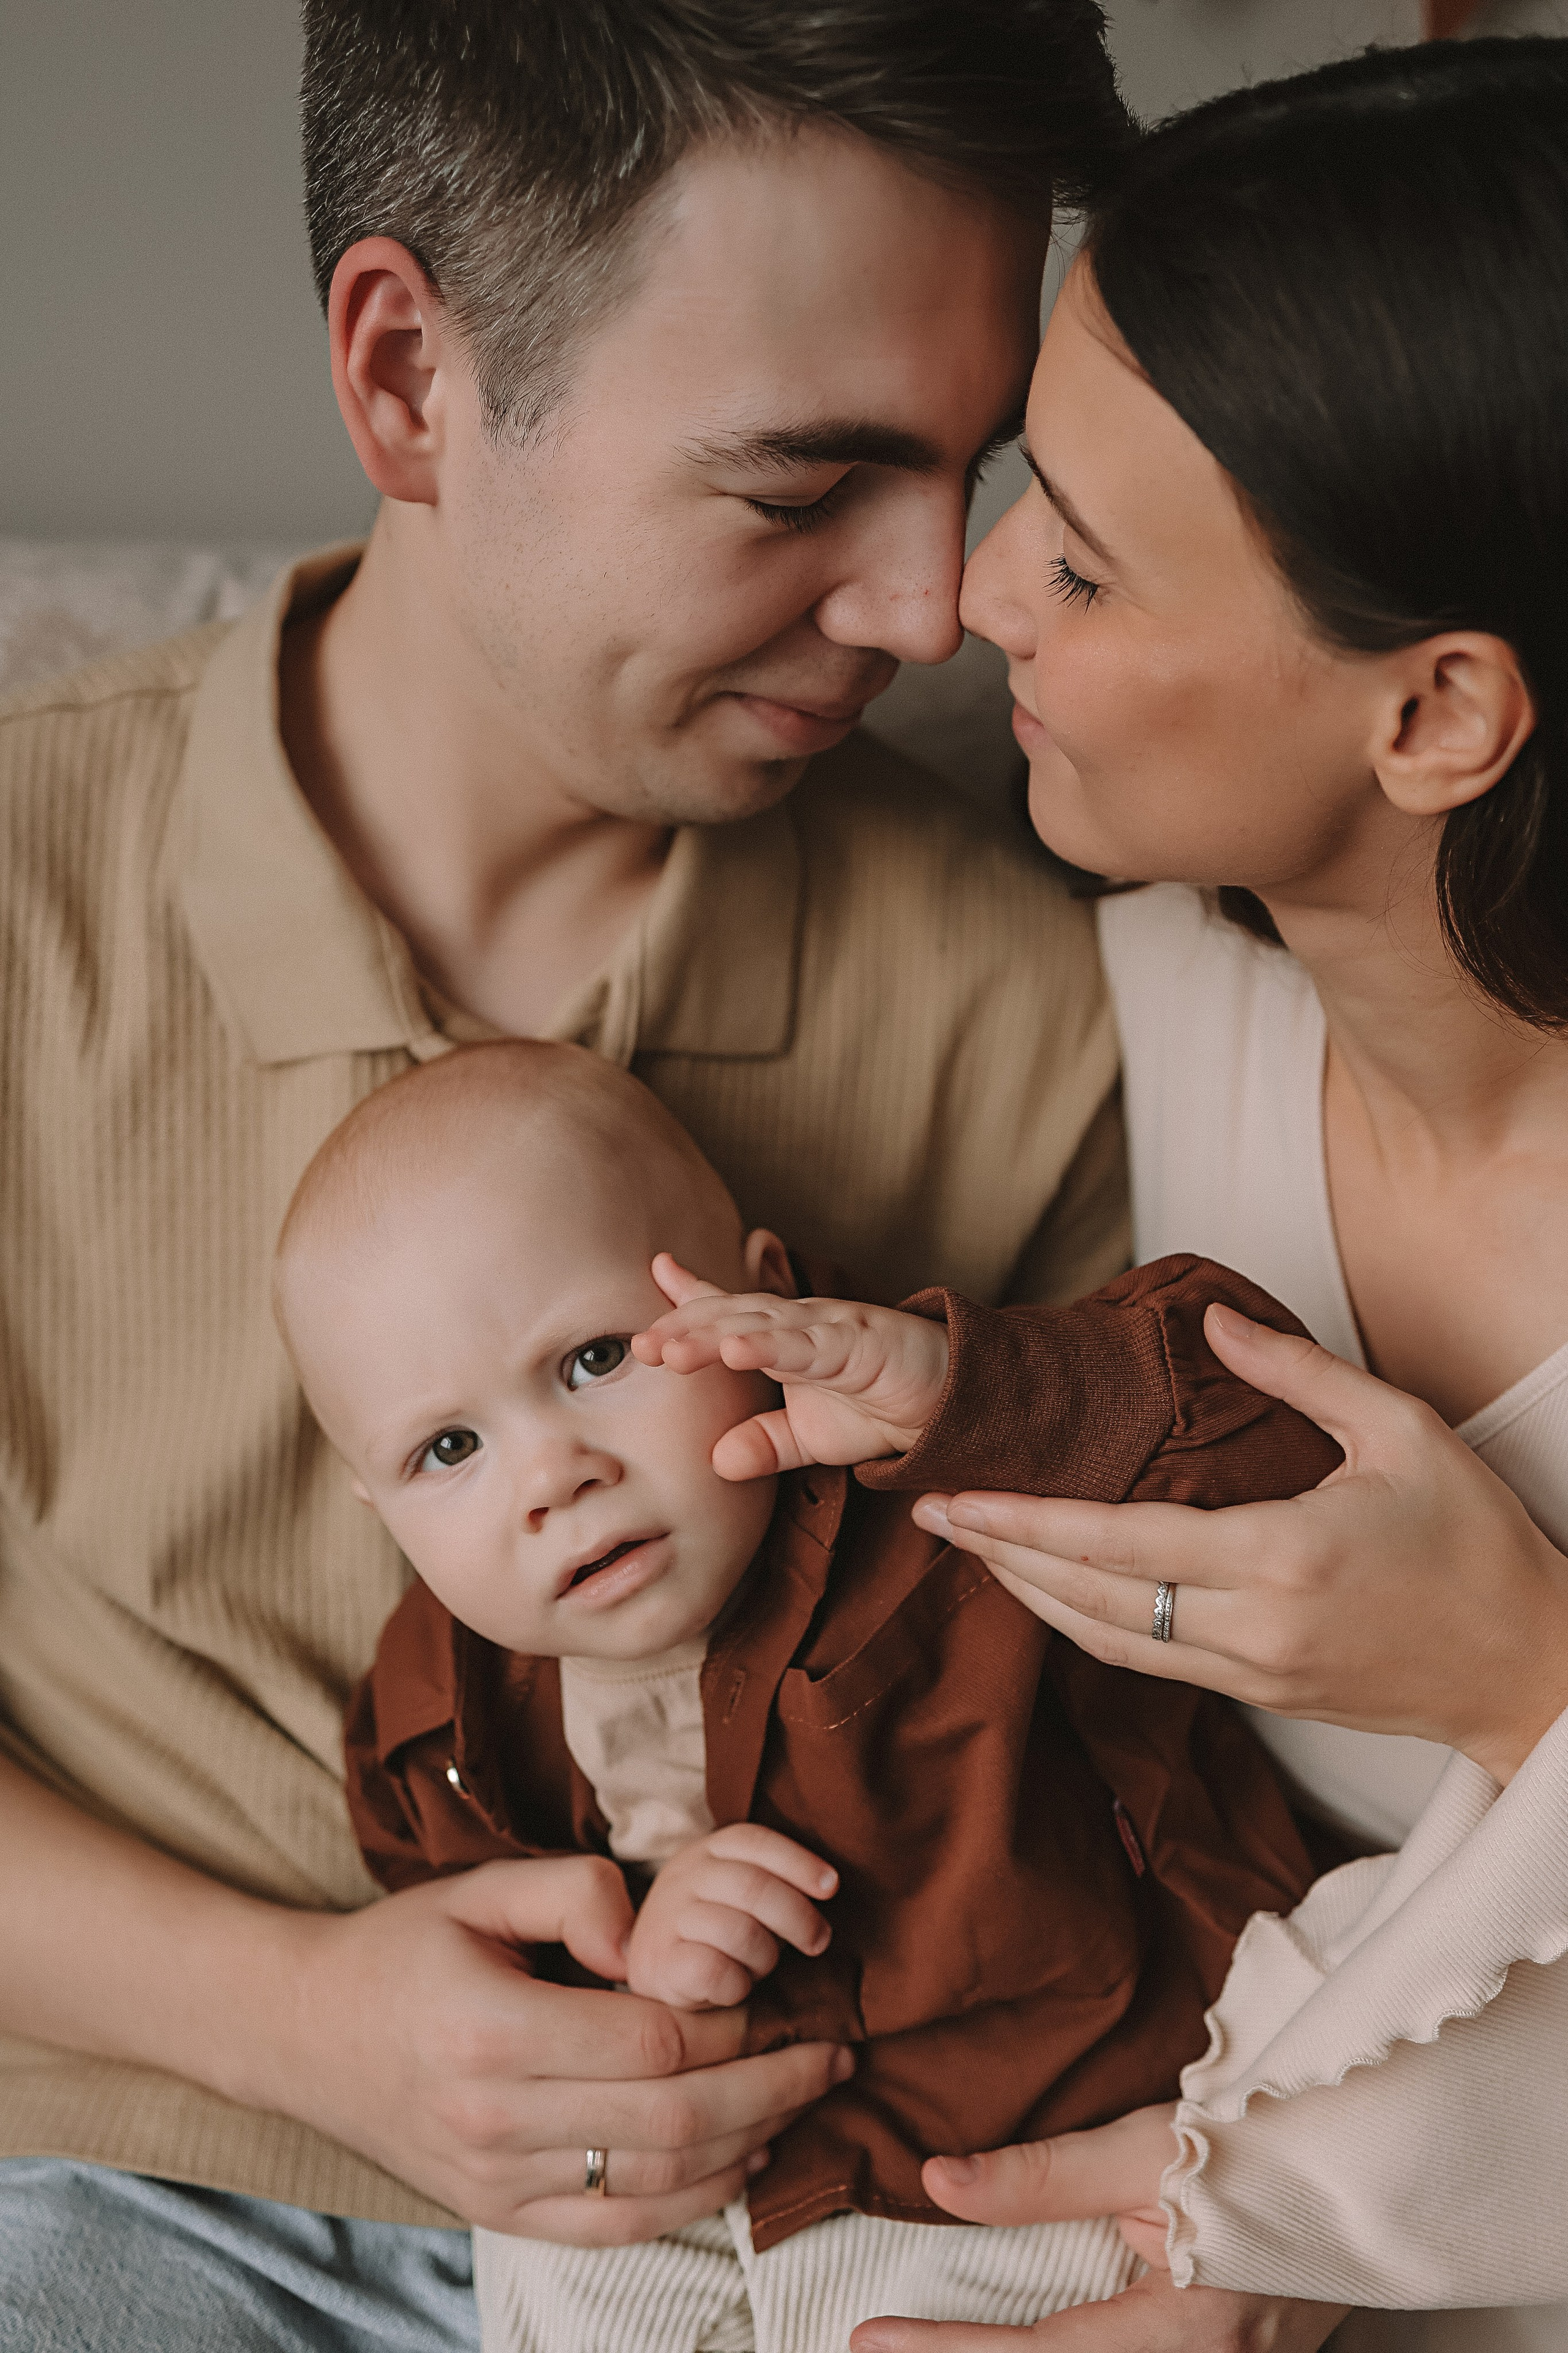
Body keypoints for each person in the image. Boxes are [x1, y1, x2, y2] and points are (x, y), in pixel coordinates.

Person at [0, 7, 1137, 2350]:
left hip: (833, 2225)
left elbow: (1174, 1741)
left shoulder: (1038, 1000)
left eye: (971, 471)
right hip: (135, 2178)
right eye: (802, 486)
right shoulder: (30, 887)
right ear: (410, 376)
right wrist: (294, 2019)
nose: (931, 610)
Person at [850, 37, 1568, 2353]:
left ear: (1434, 715)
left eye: (1080, 556)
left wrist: (1529, 1677)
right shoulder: (1143, 1013)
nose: (970, 598)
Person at [273, 1036, 1333, 2352]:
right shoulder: (437, 1701)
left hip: (1017, 2156)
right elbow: (466, 1961)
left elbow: (1274, 1438)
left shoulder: (938, 1496)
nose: (550, 1475)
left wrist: (968, 1391)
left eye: (595, 1359)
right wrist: (632, 1949)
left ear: (760, 1291)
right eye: (448, 1447)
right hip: (665, 2194)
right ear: (377, 1506)